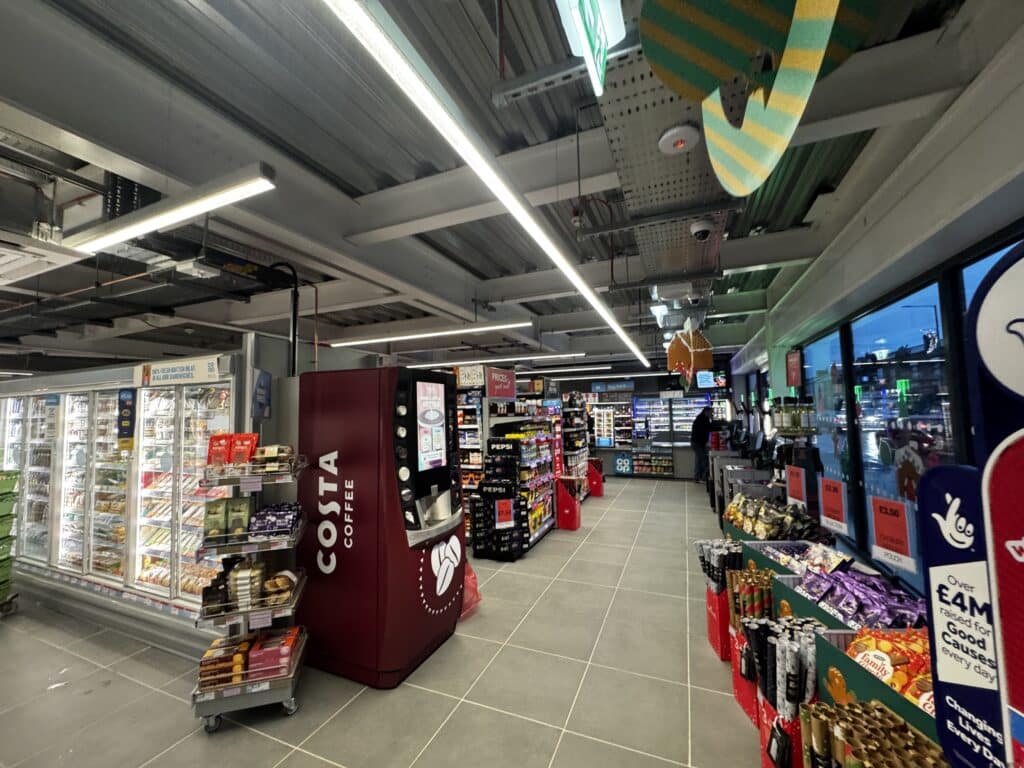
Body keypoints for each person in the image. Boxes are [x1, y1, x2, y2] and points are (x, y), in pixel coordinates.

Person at [691, 406, 713, 482]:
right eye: (711, 412)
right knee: (703, 460)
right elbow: (710, 428)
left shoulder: (700, 418)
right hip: (698, 443)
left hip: (696, 442)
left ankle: (697, 477)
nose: (711, 414)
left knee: (698, 460)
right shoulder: (703, 419)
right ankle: (702, 478)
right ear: (706, 412)